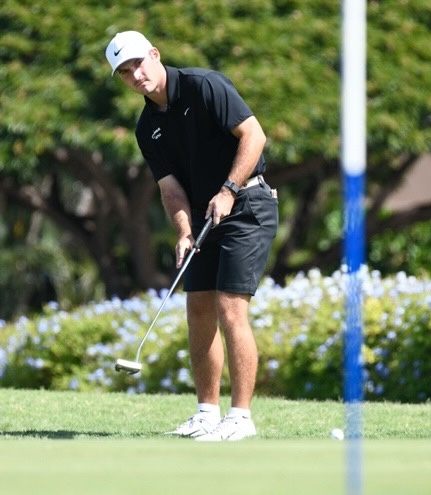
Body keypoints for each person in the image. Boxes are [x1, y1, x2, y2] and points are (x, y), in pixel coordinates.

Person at [105, 31, 278, 441]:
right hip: (203, 215)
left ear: (155, 55)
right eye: (125, 73)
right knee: (198, 309)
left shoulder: (206, 86)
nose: (136, 76)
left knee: (230, 307)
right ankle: (206, 413)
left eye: (138, 64)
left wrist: (228, 190)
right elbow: (170, 188)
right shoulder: (147, 127)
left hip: (248, 204)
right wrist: (183, 231)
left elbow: (255, 137)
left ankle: (240, 418)